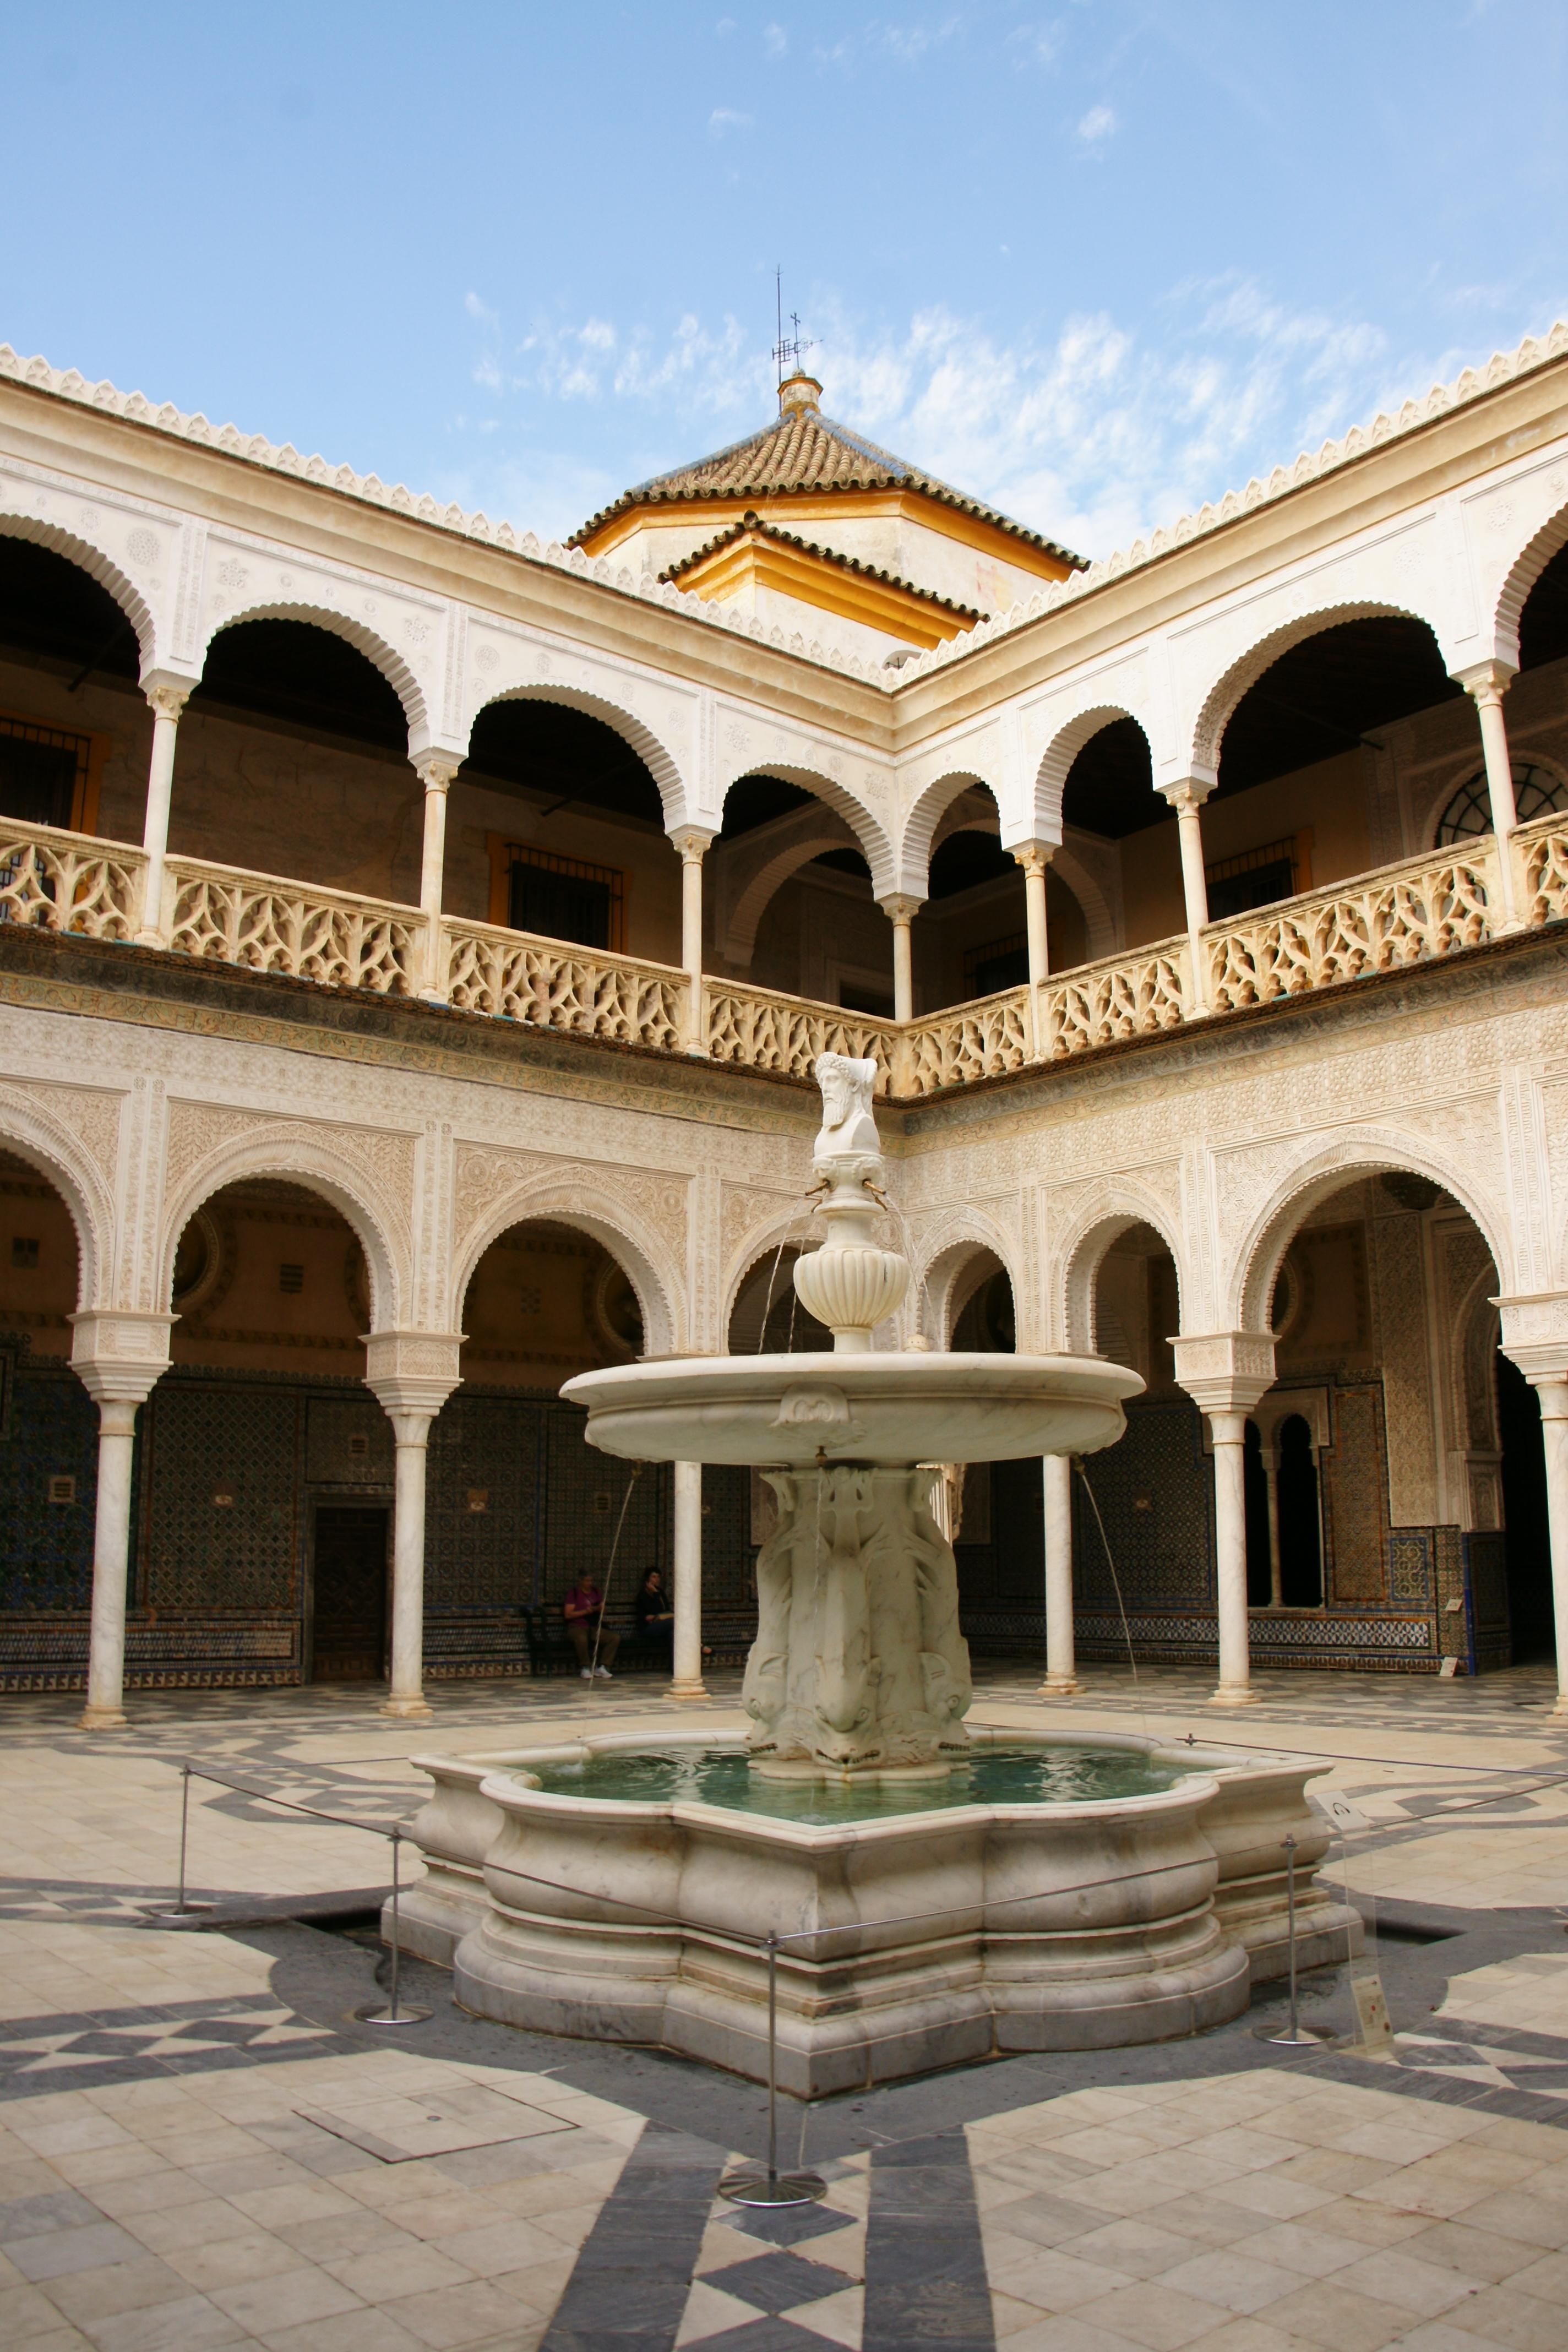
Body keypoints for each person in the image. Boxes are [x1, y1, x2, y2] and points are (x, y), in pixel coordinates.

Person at [563, 1577, 618, 1678]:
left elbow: (603, 1610)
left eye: (592, 1581)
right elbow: (568, 1614)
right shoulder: (574, 1593)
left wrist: (599, 1608)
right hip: (577, 1626)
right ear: (581, 1581)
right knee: (581, 1639)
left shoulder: (596, 1592)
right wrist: (585, 1612)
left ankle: (603, 1666)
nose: (590, 1583)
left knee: (614, 1638)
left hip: (593, 1626)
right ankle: (585, 1667)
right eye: (587, 1581)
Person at [634, 1566, 674, 1662]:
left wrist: (657, 1593)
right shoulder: (643, 1595)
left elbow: (666, 1610)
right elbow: (655, 1611)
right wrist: (655, 1593)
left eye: (658, 1577)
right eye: (654, 1577)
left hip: (662, 1625)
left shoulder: (661, 1593)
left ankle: (676, 1666)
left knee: (673, 1634)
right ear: (648, 1579)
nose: (657, 1580)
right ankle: (700, 1646)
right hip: (648, 1628)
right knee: (675, 1623)